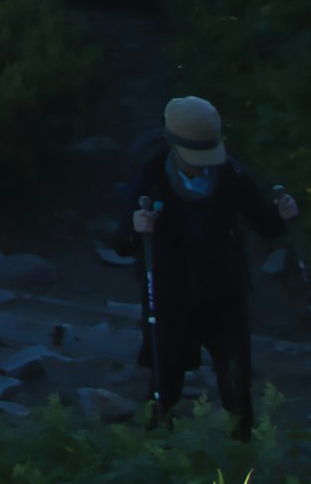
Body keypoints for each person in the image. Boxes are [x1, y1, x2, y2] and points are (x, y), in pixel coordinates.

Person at [120, 94, 299, 435]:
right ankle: (157, 449)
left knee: (237, 381)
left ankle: (239, 453)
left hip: (224, 290)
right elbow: (120, 239)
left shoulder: (229, 172)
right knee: (165, 381)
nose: (203, 164)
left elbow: (265, 222)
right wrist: (136, 225)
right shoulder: (152, 175)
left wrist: (283, 214)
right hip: (172, 292)